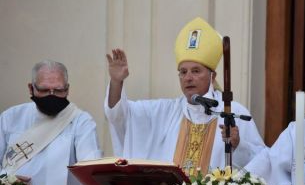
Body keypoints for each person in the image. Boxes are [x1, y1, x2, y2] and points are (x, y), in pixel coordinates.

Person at [104, 17, 265, 176]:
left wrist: (238, 145)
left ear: (212, 76)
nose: (188, 77)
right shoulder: (166, 111)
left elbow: (262, 162)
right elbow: (120, 115)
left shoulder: (232, 111)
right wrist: (116, 82)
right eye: (183, 72)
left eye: (196, 71)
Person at [0, 60, 102, 185]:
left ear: (67, 89)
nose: (51, 96)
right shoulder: (11, 118)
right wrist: (5, 183)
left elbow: (91, 165)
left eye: (58, 90)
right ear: (31, 88)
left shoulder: (80, 121)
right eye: (45, 90)